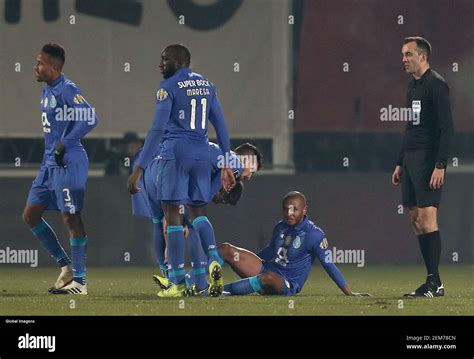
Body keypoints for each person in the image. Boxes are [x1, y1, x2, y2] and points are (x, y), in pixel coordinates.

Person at [127, 44, 235, 297]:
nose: (160, 64)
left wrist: (140, 167)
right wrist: (226, 162)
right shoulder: (207, 85)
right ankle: (213, 260)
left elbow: (156, 129)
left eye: (164, 59)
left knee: (172, 214)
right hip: (201, 154)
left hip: (174, 154)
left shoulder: (168, 88)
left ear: (178, 61)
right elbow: (221, 124)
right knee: (198, 212)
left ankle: (176, 282)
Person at [22, 43, 98, 295]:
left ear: (53, 67)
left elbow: (90, 117)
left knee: (71, 217)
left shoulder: (67, 89)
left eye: (40, 62)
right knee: (31, 215)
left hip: (68, 161)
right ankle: (66, 267)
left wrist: (65, 143)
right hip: (48, 164)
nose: (36, 66)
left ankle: (80, 282)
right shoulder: (46, 91)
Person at [212, 191, 370, 296]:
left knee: (268, 277)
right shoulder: (280, 226)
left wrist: (349, 292)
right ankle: (194, 282)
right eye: (286, 209)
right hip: (267, 270)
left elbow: (329, 265)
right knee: (226, 249)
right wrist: (245, 261)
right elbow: (271, 250)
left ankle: (215, 292)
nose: (289, 213)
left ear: (304, 210)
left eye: (294, 209)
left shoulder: (315, 234)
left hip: (287, 284)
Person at [392, 37, 454, 298]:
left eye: (408, 54)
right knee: (416, 220)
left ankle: (435, 282)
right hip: (411, 160)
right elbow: (410, 127)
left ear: (423, 57)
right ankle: (432, 280)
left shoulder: (436, 85)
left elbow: (447, 129)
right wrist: (399, 160)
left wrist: (440, 165)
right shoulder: (413, 86)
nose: (404, 59)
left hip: (429, 160)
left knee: (428, 218)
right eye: (403, 55)